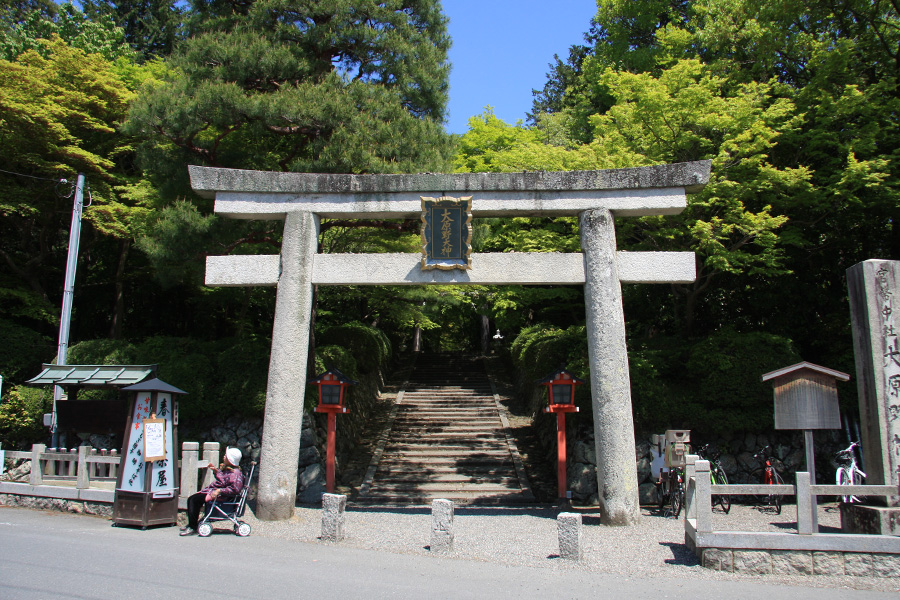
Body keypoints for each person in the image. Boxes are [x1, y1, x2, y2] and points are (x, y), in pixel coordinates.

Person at [180, 446, 244, 536]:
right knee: (193, 499)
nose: (224, 457)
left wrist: (219, 491)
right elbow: (223, 480)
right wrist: (215, 470)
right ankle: (192, 524)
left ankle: (192, 526)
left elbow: (235, 489)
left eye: (226, 456)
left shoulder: (236, 474)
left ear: (230, 459)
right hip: (215, 492)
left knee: (194, 500)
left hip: (221, 496)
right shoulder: (230, 470)